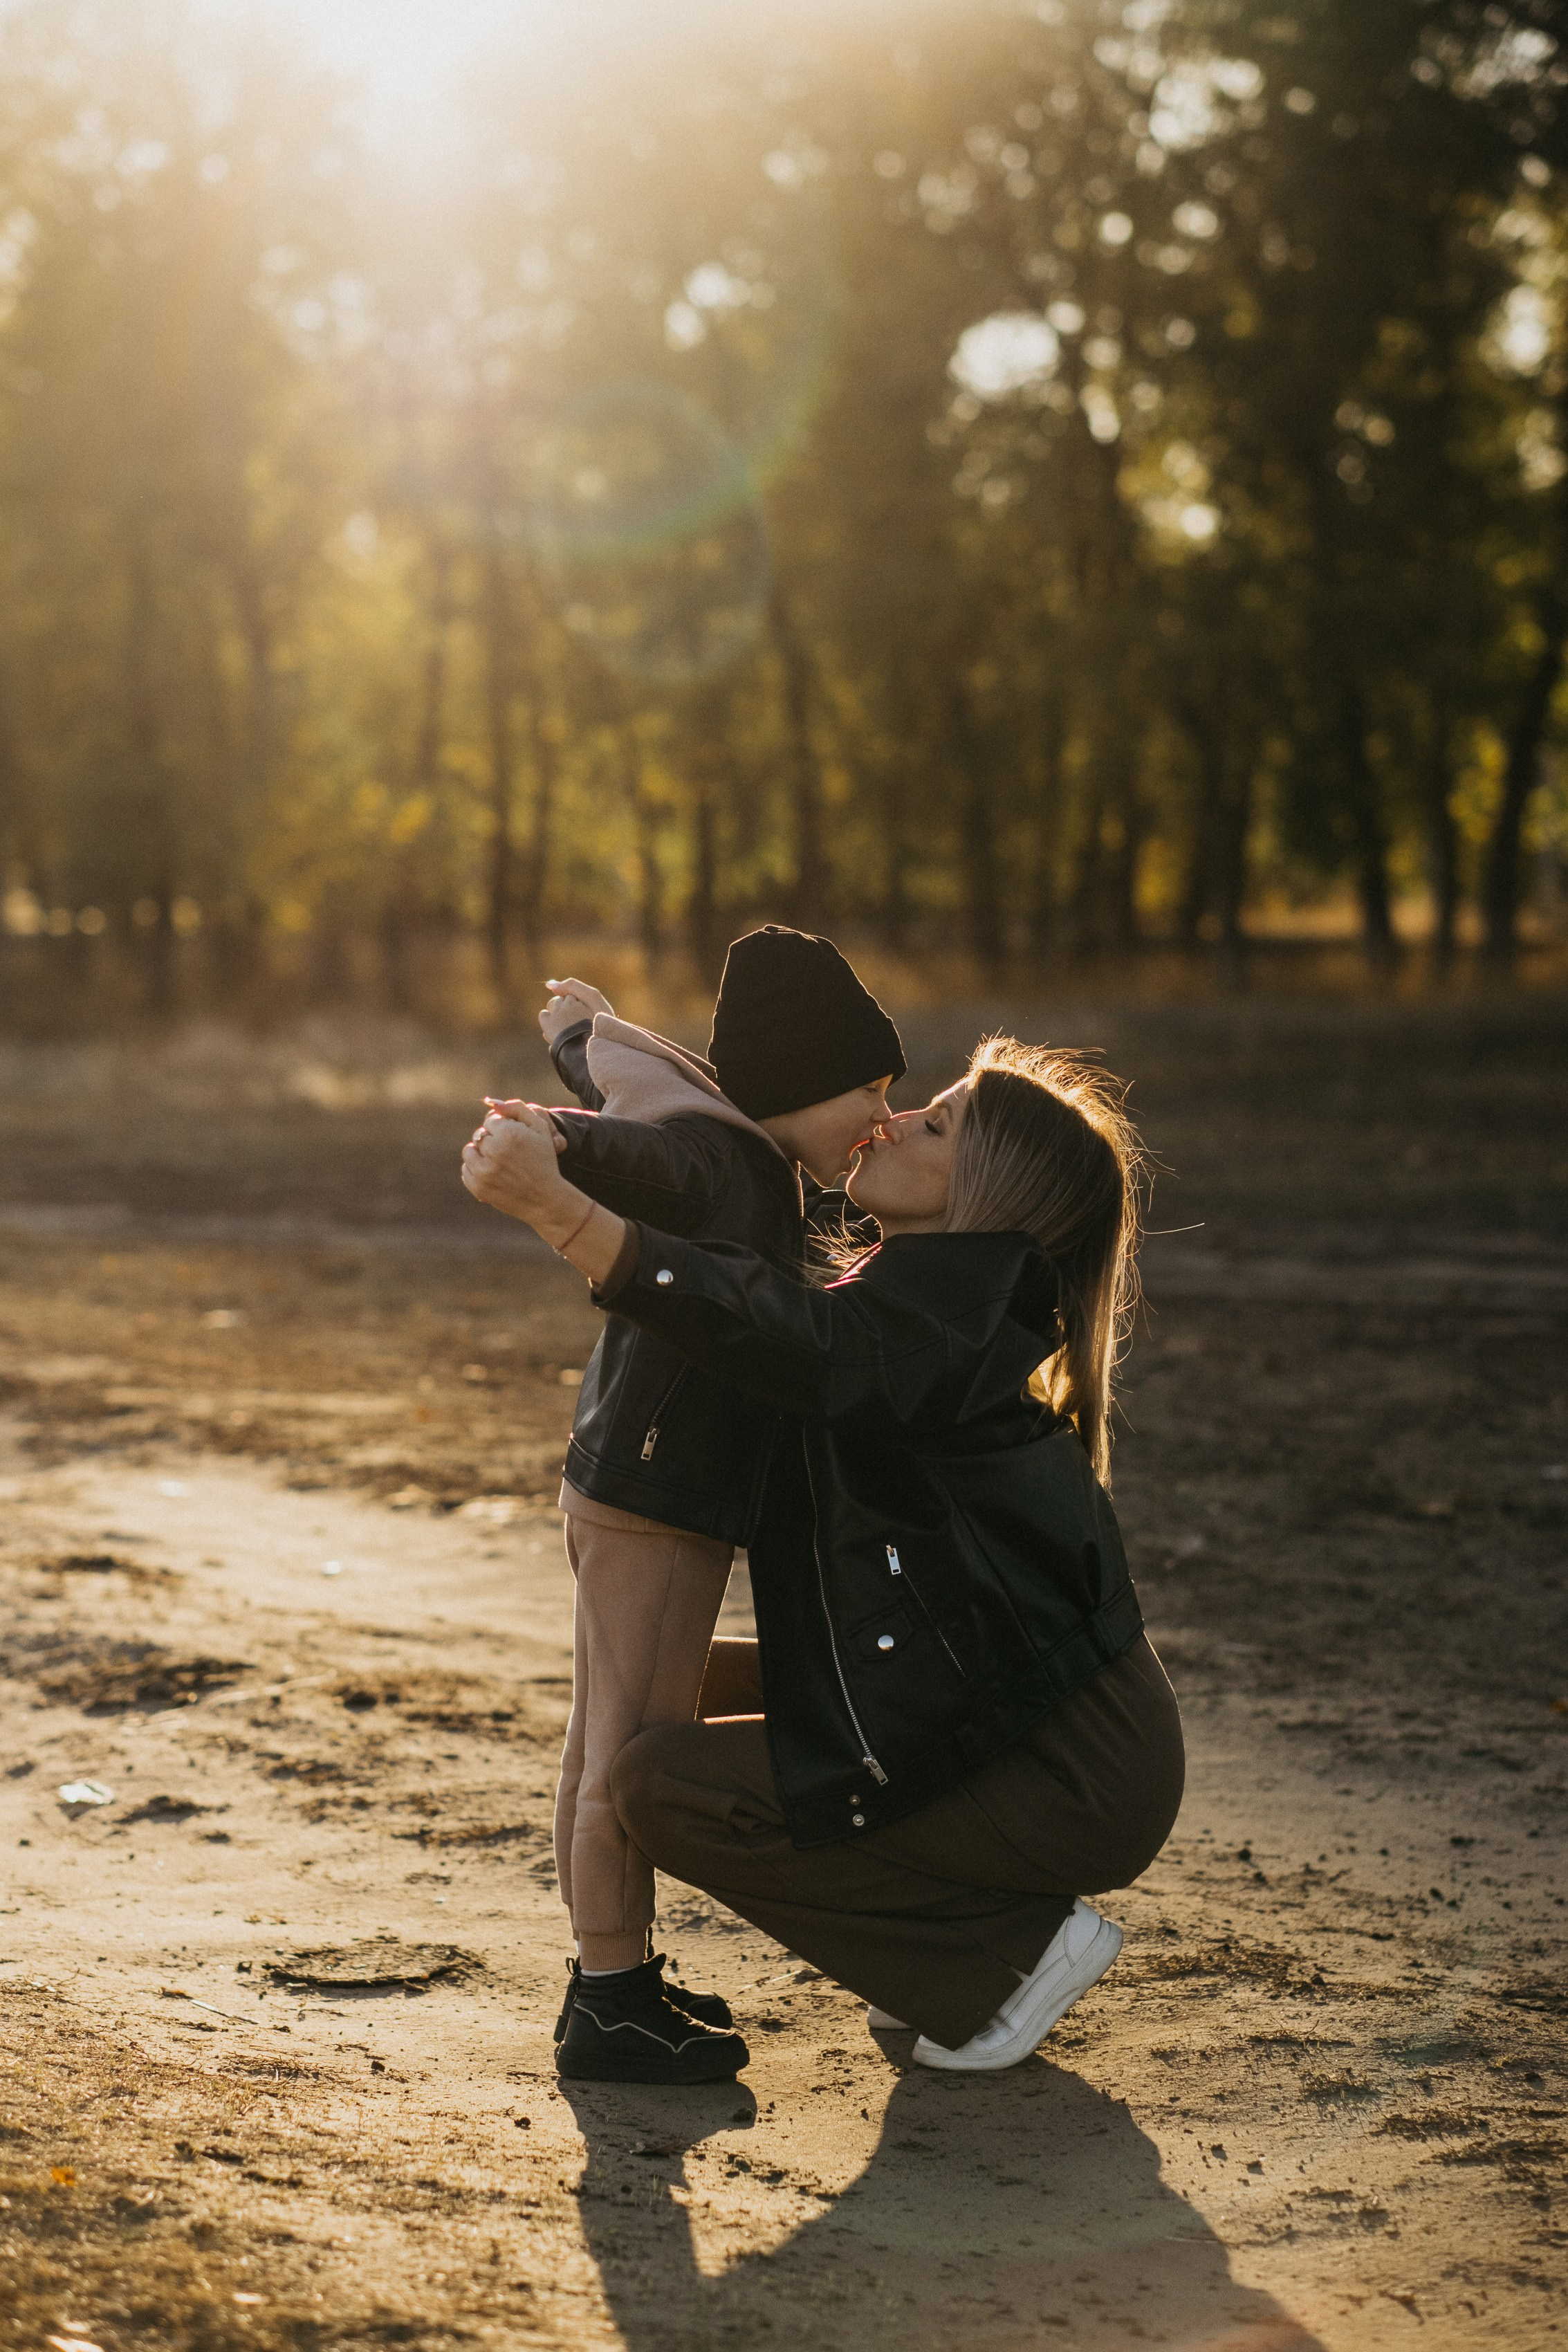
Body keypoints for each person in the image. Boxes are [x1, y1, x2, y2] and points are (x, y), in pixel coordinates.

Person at [463, 1033, 1185, 2077]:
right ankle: (945, 1940)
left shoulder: (946, 1329)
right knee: (677, 1696)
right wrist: (600, 1062)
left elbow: (782, 1335)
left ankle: (1001, 1959)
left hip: (1068, 1767)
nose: (892, 1120)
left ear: (984, 1191)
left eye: (934, 1124)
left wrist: (565, 1214)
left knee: (660, 1781)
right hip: (991, 1719)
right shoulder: (934, 1303)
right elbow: (733, 1204)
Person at [472, 928, 904, 2084]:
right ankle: (609, 1999)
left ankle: (612, 1976)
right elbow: (630, 1156)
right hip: (665, 1492)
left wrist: (581, 1033)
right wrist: (552, 1140)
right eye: (867, 1086)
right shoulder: (729, 1167)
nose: (880, 1111)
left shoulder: (729, 1136)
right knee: (631, 1742)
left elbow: (621, 1079)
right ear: (799, 1084)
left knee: (601, 1728)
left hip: (633, 1475)